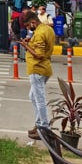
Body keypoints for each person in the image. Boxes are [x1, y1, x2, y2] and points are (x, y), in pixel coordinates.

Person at [19, 10, 55, 140]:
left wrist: (25, 45)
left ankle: (45, 128)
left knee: (39, 99)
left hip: (37, 69)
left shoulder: (39, 33)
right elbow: (43, 46)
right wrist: (31, 41)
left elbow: (39, 54)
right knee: (33, 96)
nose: (28, 28)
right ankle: (39, 124)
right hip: (44, 68)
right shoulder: (47, 29)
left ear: (33, 22)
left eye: (29, 26)